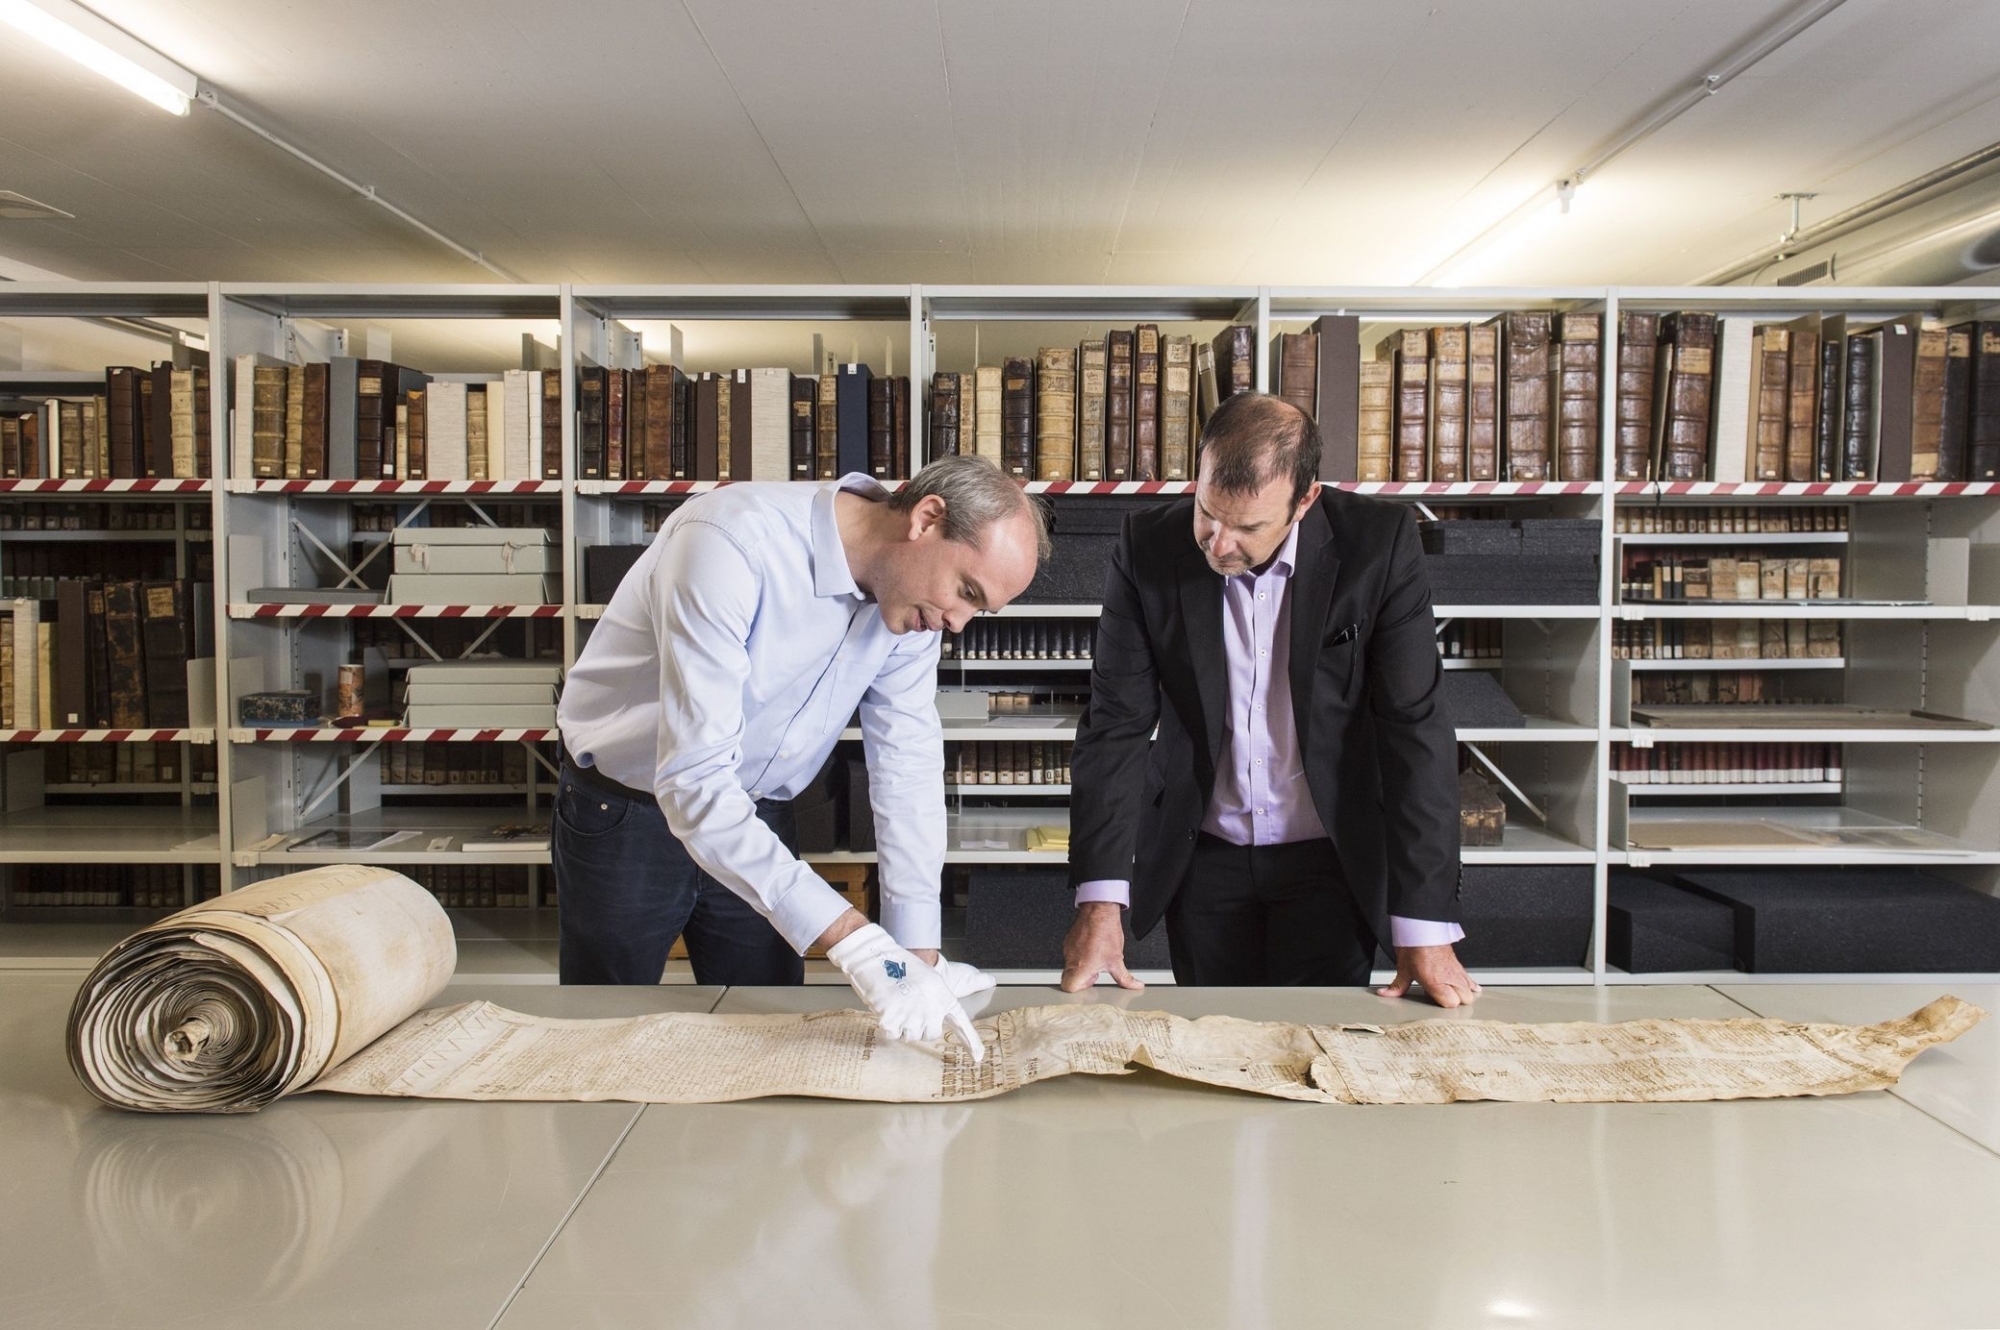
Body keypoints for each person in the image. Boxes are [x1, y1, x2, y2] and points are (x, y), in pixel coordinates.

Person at [556, 454, 1049, 1058]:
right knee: (601, 1036)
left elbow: (907, 765)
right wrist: (859, 944)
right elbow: (693, 782)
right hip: (630, 815)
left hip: (758, 816)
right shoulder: (728, 543)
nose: (958, 624)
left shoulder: (912, 610)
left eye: (981, 609)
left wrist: (916, 955)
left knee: (768, 1036)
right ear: (926, 518)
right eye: (966, 592)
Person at [1059, 391, 1478, 1005]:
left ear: (1304, 500)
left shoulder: (1377, 544)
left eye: (1248, 526)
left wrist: (1424, 922)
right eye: (1207, 513)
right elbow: (1115, 726)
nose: (1218, 544)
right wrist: (1100, 900)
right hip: (1202, 858)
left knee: (1326, 1060)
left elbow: (1414, 728)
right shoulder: (1146, 545)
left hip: (1332, 858)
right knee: (1212, 1064)